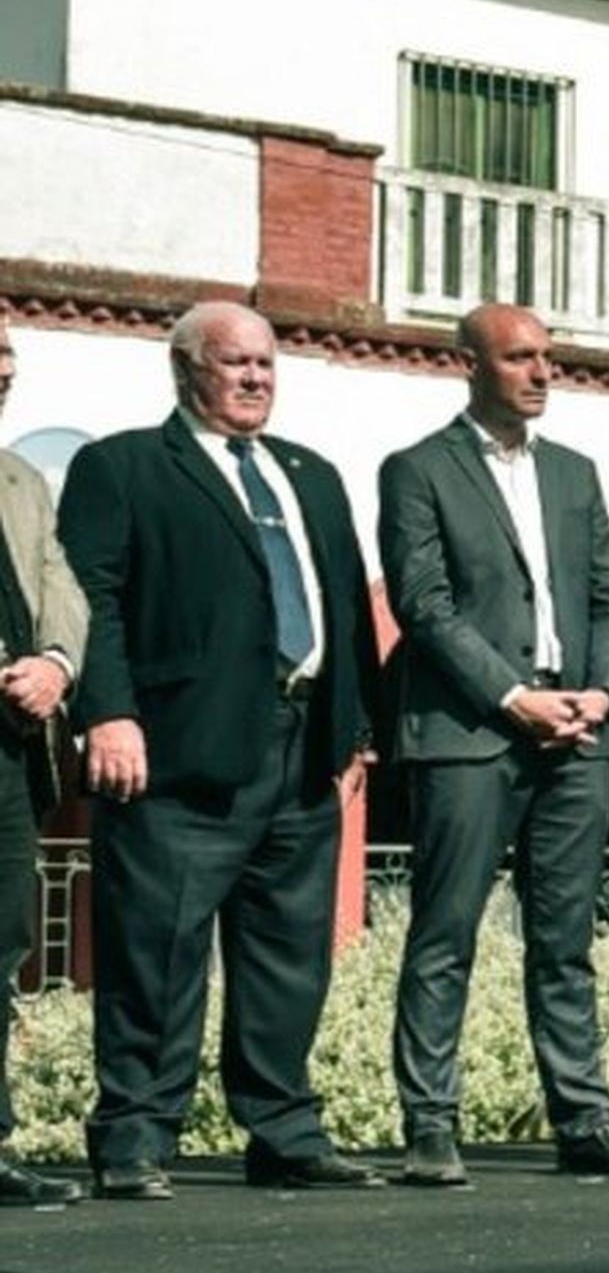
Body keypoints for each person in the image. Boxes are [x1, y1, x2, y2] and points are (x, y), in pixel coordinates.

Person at [57, 300, 384, 1198]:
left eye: (267, 365)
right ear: (185, 370)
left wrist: (355, 730)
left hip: (300, 747)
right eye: (234, 362)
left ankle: (284, 1128)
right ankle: (134, 1136)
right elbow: (93, 598)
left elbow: (347, 606)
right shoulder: (122, 466)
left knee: (289, 953)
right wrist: (108, 713)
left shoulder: (310, 475)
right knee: (156, 952)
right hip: (175, 752)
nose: (254, 378)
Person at [380, 304, 609, 1180]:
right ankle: (430, 1124)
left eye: (548, 357)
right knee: (445, 933)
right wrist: (513, 697)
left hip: (578, 735)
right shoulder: (417, 470)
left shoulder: (577, 475)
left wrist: (605, 692)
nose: (543, 372)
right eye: (520, 358)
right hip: (472, 733)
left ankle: (584, 1118)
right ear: (468, 364)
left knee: (565, 939)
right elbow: (423, 604)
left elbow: (606, 600)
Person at [0, 319, 89, 1207]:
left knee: (3, 943)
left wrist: (56, 665)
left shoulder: (23, 481)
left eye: (9, 362)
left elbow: (61, 586)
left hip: (12, 748)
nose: (3, 375)